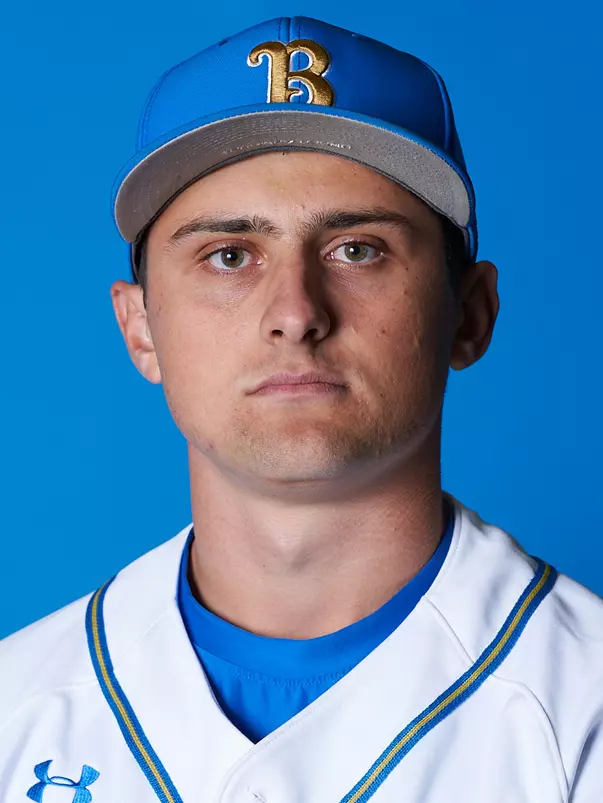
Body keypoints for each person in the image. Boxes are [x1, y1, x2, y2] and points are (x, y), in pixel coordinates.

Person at [1, 15, 601, 803]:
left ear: (469, 313)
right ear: (140, 329)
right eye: (228, 255)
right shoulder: (17, 710)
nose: (293, 311)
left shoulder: (582, 706)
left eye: (357, 249)